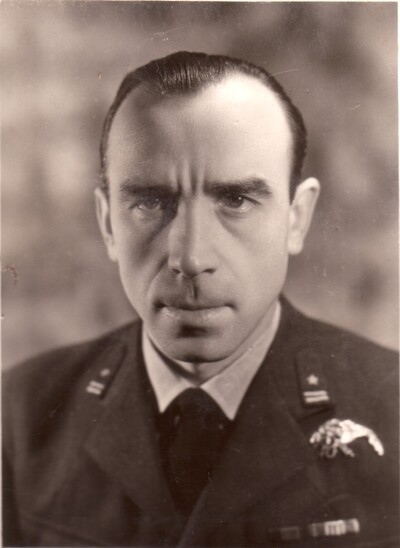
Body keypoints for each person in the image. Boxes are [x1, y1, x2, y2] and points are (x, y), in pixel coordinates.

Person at [3, 52, 398, 547]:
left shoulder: (392, 406)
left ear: (296, 218)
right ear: (107, 224)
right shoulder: (20, 414)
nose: (190, 258)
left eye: (236, 201)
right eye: (150, 202)